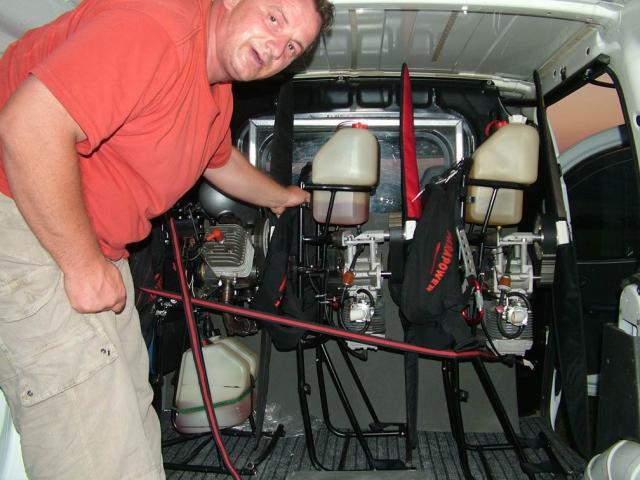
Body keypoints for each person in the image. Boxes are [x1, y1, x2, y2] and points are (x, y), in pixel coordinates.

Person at [0, 0, 334, 477]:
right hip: (30, 226)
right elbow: (29, 125)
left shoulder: (215, 92)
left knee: (135, 419)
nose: (276, 47)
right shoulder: (156, 28)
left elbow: (218, 161)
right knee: (96, 449)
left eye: (292, 47)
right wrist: (81, 265)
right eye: (273, 18)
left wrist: (281, 197)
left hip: (94, 246)